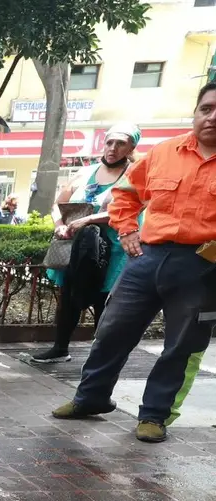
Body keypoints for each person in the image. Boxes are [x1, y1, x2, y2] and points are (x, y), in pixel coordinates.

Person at [52, 84, 216, 444]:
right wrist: (127, 231)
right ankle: (90, 398)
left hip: (202, 266)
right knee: (112, 331)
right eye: (206, 108)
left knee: (181, 346)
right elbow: (125, 197)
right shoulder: (164, 152)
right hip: (147, 257)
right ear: (196, 111)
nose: (212, 116)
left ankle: (154, 415)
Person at [31, 123, 140, 365]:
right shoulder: (85, 172)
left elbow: (130, 210)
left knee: (105, 300)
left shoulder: (134, 175)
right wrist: (59, 224)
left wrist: (88, 219)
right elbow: (57, 203)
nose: (113, 148)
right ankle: (60, 348)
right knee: (68, 296)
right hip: (77, 246)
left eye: (121, 143)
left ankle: (101, 356)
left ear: (131, 147)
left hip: (111, 249)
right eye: (110, 142)